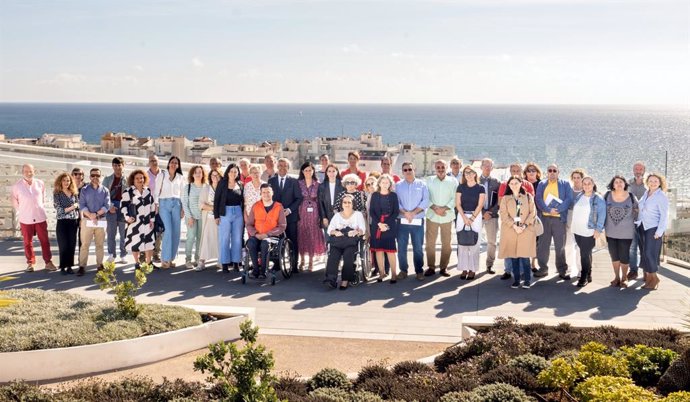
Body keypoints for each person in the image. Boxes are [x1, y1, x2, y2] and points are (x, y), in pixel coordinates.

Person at [12, 164, 56, 272]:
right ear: (22, 172)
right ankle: (30, 263)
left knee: (45, 241)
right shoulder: (17, 186)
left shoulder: (40, 183)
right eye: (26, 171)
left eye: (30, 171)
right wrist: (23, 211)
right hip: (26, 218)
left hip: (40, 217)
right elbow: (14, 201)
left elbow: (43, 198)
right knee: (28, 242)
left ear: (34, 171)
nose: (28, 173)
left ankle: (48, 262)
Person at [534, 164, 573, 280]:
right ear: (547, 172)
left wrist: (558, 210)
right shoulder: (542, 184)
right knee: (543, 246)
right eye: (549, 170)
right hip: (545, 219)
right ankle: (543, 269)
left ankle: (562, 270)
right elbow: (538, 199)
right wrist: (548, 210)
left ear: (558, 172)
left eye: (554, 170)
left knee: (560, 246)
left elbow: (569, 199)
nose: (552, 172)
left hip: (559, 219)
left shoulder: (565, 184)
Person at [497, 163, 535, 280]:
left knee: (523, 250)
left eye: (517, 170)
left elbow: (531, 209)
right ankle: (509, 271)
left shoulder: (528, 188)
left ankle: (524, 274)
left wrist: (523, 225)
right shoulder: (504, 186)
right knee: (510, 249)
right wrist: (514, 225)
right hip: (510, 225)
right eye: (513, 170)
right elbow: (501, 208)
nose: (515, 172)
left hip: (524, 226)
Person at [323, 194, 367, 290]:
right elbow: (329, 230)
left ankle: (345, 280)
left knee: (348, 257)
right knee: (333, 257)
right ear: (342, 204)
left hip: (351, 241)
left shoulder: (358, 215)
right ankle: (331, 279)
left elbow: (363, 229)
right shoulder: (337, 215)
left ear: (353, 204)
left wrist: (356, 231)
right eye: (345, 202)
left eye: (349, 202)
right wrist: (335, 232)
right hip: (338, 240)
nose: (347, 204)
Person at [396, 162, 430, 281]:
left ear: (414, 169)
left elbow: (426, 201)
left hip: (417, 220)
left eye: (410, 169)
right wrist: (405, 213)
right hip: (402, 221)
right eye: (405, 170)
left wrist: (413, 213)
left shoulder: (422, 184)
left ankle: (419, 271)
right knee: (401, 247)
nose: (408, 171)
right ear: (402, 171)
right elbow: (397, 202)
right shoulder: (398, 185)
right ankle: (403, 270)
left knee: (418, 248)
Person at [604, 175, 639, 288]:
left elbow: (637, 212)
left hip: (626, 232)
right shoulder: (607, 196)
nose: (618, 184)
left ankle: (624, 278)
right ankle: (616, 277)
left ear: (625, 184)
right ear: (612, 185)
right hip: (610, 232)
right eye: (616, 182)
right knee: (614, 255)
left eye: (621, 182)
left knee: (624, 255)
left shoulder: (632, 197)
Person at [424, 159, 457, 277]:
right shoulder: (428, 180)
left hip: (447, 216)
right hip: (432, 216)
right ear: (435, 168)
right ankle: (431, 267)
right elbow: (425, 197)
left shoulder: (453, 181)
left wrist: (444, 208)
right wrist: (434, 208)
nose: (440, 169)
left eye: (442, 167)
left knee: (446, 244)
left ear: (446, 167)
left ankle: (444, 267)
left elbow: (455, 198)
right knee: (429, 244)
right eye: (438, 167)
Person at [246, 183, 287, 279]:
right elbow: (249, 224)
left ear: (272, 193)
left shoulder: (278, 206)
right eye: (263, 192)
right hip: (257, 235)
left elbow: (282, 226)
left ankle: (263, 271)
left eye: (268, 192)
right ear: (260, 193)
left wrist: (268, 234)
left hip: (272, 237)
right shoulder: (255, 206)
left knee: (265, 243)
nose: (266, 194)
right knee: (251, 243)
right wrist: (255, 234)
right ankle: (255, 270)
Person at [268, 158, 303, 273]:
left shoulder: (293, 181)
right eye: (280, 165)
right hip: (276, 218)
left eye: (285, 166)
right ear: (277, 167)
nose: (282, 168)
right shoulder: (271, 181)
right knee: (276, 241)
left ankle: (294, 265)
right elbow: (268, 199)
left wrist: (289, 210)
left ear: (288, 168)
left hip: (290, 217)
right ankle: (277, 264)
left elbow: (299, 198)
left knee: (293, 241)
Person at [571, 176, 606, 288]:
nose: (586, 185)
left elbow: (602, 215)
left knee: (584, 254)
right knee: (586, 253)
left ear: (593, 184)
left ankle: (584, 277)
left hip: (589, 230)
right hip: (577, 229)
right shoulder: (579, 196)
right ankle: (589, 274)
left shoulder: (598, 198)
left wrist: (598, 229)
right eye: (584, 183)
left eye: (589, 183)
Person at [636, 173, 668, 290]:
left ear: (660, 183)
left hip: (653, 228)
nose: (653, 183)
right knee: (644, 254)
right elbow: (641, 209)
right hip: (642, 227)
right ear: (647, 182)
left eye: (655, 181)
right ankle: (649, 279)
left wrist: (659, 232)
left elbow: (664, 216)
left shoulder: (661, 196)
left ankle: (654, 278)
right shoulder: (646, 193)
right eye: (651, 181)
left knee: (650, 253)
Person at [121, 169, 156, 270]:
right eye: (137, 178)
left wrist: (152, 220)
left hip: (147, 222)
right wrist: (127, 217)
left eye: (141, 178)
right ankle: (137, 263)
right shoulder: (128, 191)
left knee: (149, 243)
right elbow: (123, 206)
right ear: (133, 179)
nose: (140, 180)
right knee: (135, 243)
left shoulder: (147, 191)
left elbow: (152, 206)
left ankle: (149, 263)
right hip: (134, 222)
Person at [154, 156, 185, 269]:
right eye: (172, 162)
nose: (173, 164)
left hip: (176, 204)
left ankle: (171, 258)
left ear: (178, 165)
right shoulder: (162, 175)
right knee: (168, 230)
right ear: (168, 164)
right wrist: (156, 205)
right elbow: (156, 191)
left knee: (176, 232)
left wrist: (183, 209)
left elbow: (182, 195)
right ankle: (165, 259)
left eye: (176, 163)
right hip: (164, 204)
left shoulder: (180, 177)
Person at [78, 167, 110, 276]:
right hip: (87, 220)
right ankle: (82, 266)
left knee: (100, 245)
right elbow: (82, 205)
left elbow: (107, 206)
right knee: (85, 245)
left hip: (101, 221)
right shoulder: (84, 190)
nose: (95, 178)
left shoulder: (105, 190)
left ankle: (100, 265)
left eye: (97, 175)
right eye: (93, 175)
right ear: (90, 177)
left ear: (101, 177)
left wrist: (96, 215)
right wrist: (90, 215)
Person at [456, 165, 485, 280]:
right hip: (462, 216)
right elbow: (458, 204)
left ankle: (473, 269)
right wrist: (464, 218)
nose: (468, 174)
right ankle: (464, 269)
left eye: (470, 172)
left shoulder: (480, 188)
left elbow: (480, 204)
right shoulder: (460, 187)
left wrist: (472, 218)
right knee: (462, 243)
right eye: (466, 173)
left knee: (474, 243)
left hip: (476, 216)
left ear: (475, 174)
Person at [214, 163, 245, 272]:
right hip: (225, 213)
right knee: (225, 239)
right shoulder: (222, 183)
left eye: (235, 172)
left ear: (238, 173)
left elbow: (243, 201)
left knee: (237, 239)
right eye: (231, 171)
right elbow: (216, 200)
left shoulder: (241, 184)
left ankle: (236, 263)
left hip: (238, 213)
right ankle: (225, 264)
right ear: (227, 172)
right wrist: (216, 216)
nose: (233, 173)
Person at [369, 174, 400, 283]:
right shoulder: (374, 195)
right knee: (379, 250)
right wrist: (379, 224)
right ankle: (382, 273)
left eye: (387, 182)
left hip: (390, 226)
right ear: (379, 183)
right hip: (377, 226)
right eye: (383, 182)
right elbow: (371, 211)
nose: (385, 184)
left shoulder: (393, 196)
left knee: (390, 251)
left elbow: (396, 212)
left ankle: (394, 274)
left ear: (390, 184)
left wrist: (386, 224)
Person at [297, 162, 326, 271]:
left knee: (312, 236)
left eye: (310, 170)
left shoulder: (318, 184)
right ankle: (302, 260)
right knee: (302, 235)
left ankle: (310, 261)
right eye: (306, 170)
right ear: (302, 172)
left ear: (313, 171)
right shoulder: (298, 183)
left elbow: (320, 200)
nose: (308, 172)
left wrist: (321, 215)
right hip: (302, 212)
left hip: (314, 212)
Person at [53, 172, 79, 274]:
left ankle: (69, 266)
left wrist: (75, 209)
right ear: (60, 181)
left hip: (73, 221)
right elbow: (59, 210)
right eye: (64, 180)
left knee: (71, 244)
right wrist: (73, 206)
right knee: (63, 244)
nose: (66, 182)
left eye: (68, 180)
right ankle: (63, 267)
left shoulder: (74, 193)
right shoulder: (57, 194)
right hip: (62, 222)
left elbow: (79, 207)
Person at [103, 157, 127, 264]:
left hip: (123, 208)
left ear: (123, 165)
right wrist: (109, 207)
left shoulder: (127, 180)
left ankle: (123, 255)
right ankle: (111, 255)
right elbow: (103, 196)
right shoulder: (107, 179)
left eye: (119, 165)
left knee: (123, 234)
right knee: (111, 234)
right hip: (111, 207)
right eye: (115, 165)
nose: (117, 167)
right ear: (112, 166)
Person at [198, 168, 222, 271]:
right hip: (208, 218)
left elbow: (224, 204)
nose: (215, 177)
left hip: (220, 219)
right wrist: (214, 208)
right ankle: (201, 262)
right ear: (210, 177)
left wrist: (212, 206)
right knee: (206, 240)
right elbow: (201, 205)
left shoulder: (223, 188)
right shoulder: (206, 188)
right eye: (213, 175)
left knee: (220, 240)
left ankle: (220, 260)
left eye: (217, 175)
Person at [182, 165, 206, 269]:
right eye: (196, 172)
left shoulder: (206, 187)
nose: (198, 174)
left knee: (200, 239)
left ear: (202, 174)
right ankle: (188, 259)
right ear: (192, 174)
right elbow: (184, 203)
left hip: (202, 216)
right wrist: (189, 217)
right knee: (191, 237)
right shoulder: (188, 187)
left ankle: (198, 258)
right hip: (190, 216)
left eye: (200, 172)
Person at [479, 158, 500, 274]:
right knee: (474, 241)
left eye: (489, 166)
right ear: (481, 167)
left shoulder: (497, 182)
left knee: (492, 242)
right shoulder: (475, 181)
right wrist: (482, 213)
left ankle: (489, 265)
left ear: (492, 168)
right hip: (477, 215)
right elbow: (472, 199)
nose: (487, 167)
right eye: (485, 165)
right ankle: (472, 265)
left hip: (492, 216)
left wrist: (490, 212)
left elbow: (499, 200)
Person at [627, 161, 646, 281]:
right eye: (636, 169)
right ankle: (633, 271)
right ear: (633, 171)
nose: (638, 171)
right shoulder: (628, 184)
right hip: (631, 221)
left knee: (645, 247)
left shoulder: (649, 183)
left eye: (640, 169)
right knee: (632, 248)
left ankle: (646, 271)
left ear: (644, 170)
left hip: (645, 221)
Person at [565, 169, 586, 280]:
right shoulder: (569, 189)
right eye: (574, 177)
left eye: (578, 177)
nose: (576, 180)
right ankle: (569, 267)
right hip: (570, 215)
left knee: (580, 245)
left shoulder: (585, 190)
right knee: (568, 244)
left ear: (582, 178)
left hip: (582, 218)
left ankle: (580, 269)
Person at [523, 162, 543, 272]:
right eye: (529, 170)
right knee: (525, 240)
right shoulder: (522, 184)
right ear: (525, 173)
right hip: (524, 216)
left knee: (537, 240)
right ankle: (524, 263)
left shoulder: (542, 184)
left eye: (533, 170)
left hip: (538, 215)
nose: (531, 172)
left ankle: (533, 263)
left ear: (537, 173)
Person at [317, 163, 345, 240]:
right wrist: (324, 217)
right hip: (327, 214)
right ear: (326, 173)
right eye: (329, 171)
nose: (331, 173)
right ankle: (329, 252)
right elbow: (320, 203)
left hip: (340, 214)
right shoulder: (322, 186)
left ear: (337, 172)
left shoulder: (342, 185)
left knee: (339, 238)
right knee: (328, 238)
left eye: (333, 171)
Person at [146, 155, 163, 263]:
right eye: (151, 161)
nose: (154, 162)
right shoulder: (145, 175)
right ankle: (145, 254)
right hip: (148, 207)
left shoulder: (164, 174)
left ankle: (156, 253)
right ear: (148, 162)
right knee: (147, 231)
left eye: (155, 161)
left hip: (161, 207)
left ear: (158, 161)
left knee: (159, 231)